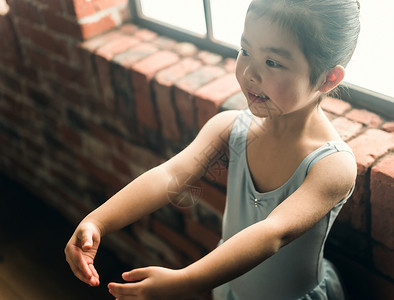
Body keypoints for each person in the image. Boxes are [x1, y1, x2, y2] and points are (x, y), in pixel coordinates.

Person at [65, 0, 360, 299]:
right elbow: (170, 174)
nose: (249, 74)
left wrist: (185, 281)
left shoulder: (332, 166)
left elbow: (274, 233)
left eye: (272, 62)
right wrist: (97, 221)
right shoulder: (230, 128)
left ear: (328, 78)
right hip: (229, 287)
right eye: (245, 51)